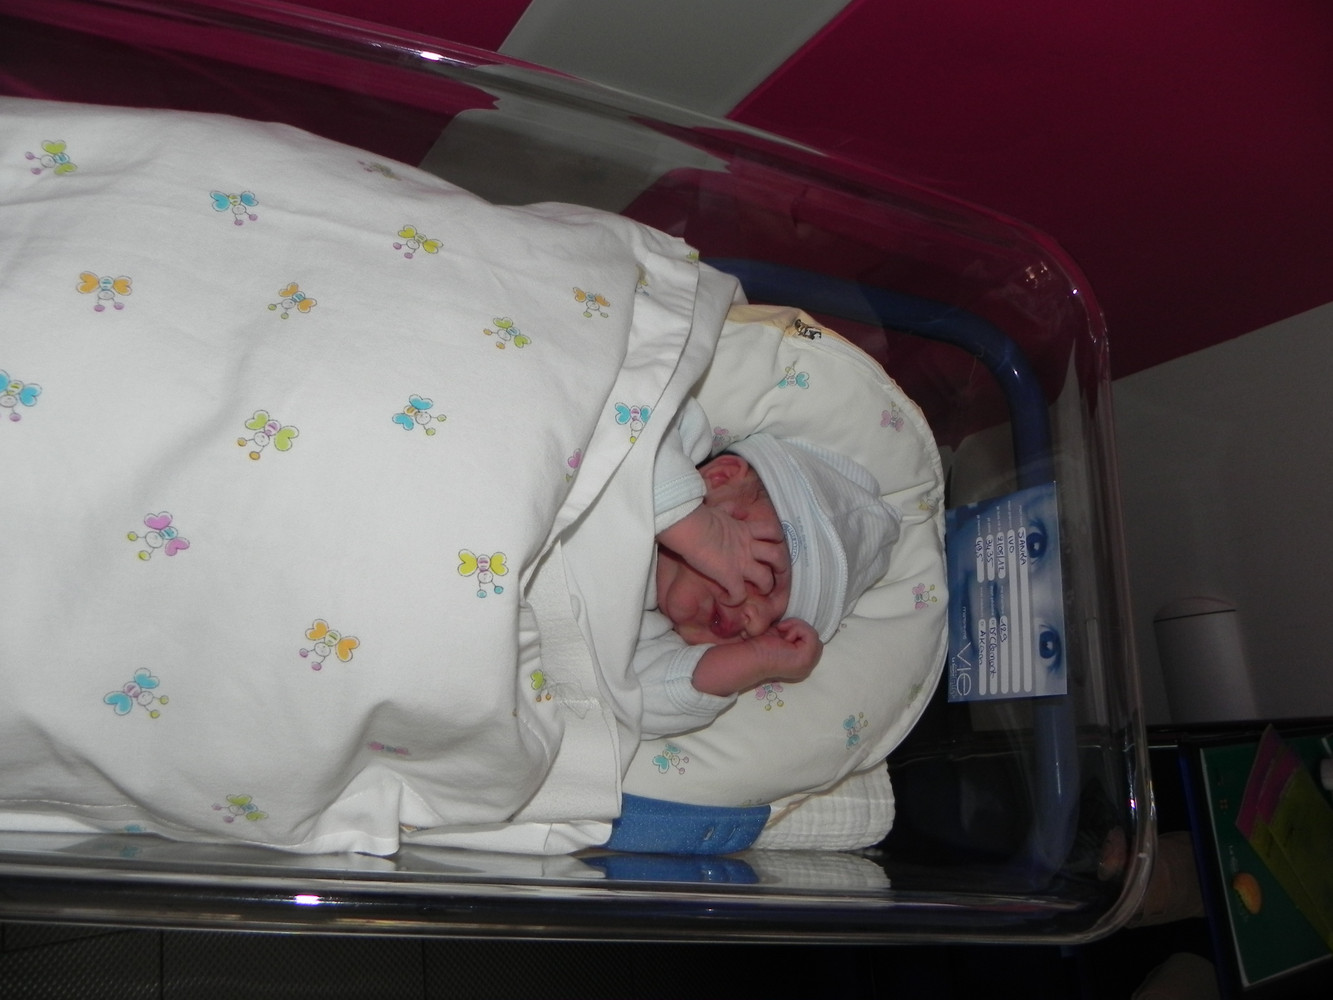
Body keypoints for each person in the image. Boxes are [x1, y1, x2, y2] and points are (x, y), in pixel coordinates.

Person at [634, 399, 902, 737]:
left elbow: (635, 703)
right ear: (720, 479)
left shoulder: (645, 635)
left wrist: (759, 658)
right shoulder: (670, 443)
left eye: (773, 624)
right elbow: (627, 416)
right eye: (764, 576)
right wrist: (694, 528)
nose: (756, 621)